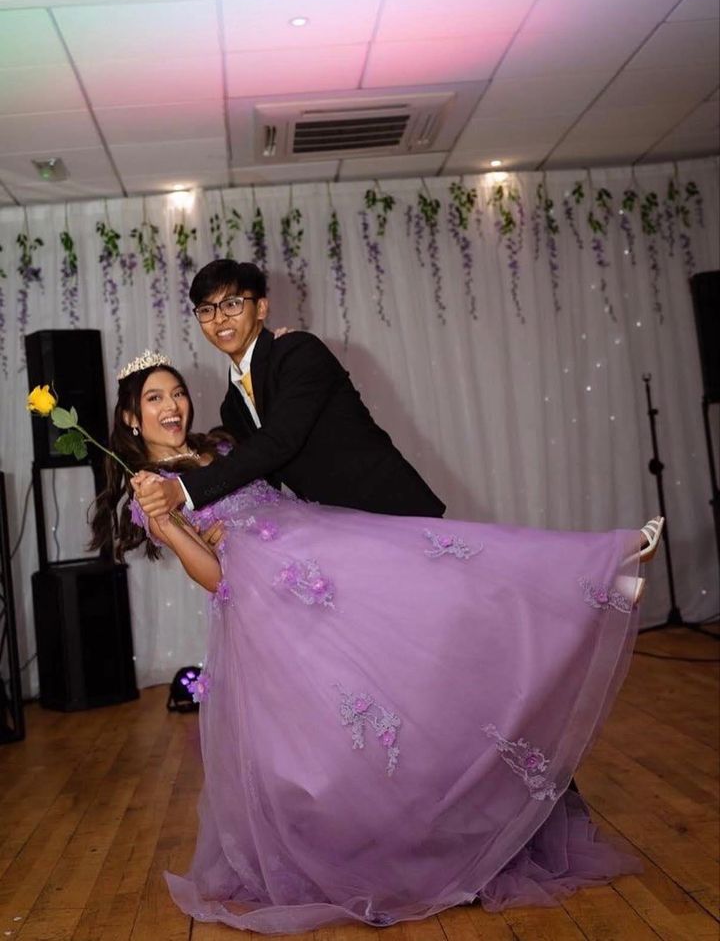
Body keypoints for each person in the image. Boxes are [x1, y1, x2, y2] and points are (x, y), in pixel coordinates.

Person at [91, 352, 664, 936]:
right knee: (356, 729)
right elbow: (214, 578)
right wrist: (167, 525)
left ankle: (599, 572)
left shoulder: (224, 446)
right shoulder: (154, 490)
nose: (172, 406)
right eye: (155, 399)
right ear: (132, 419)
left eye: (176, 392)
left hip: (324, 545)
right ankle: (397, 852)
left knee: (448, 568)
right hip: (279, 604)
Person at [133, 259, 445, 522]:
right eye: (206, 310)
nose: (220, 319)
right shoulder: (231, 405)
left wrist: (183, 490)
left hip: (394, 510)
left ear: (261, 308)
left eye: (232, 304)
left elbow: (278, 442)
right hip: (340, 529)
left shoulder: (298, 352)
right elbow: (258, 476)